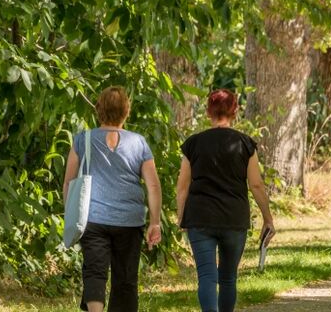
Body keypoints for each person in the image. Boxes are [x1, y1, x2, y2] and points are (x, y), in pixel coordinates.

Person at [63, 86, 162, 312]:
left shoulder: (82, 139)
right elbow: (153, 185)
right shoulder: (139, 143)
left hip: (92, 218)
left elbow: (69, 182)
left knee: (94, 273)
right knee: (126, 280)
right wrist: (155, 222)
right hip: (130, 222)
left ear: (99, 110)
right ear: (126, 111)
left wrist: (71, 216)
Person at [176, 89, 274, 312]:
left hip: (200, 218)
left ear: (208, 111)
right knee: (228, 278)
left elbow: (182, 186)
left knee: (207, 278)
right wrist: (268, 219)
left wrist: (182, 216)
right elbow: (256, 185)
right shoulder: (245, 144)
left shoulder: (193, 144)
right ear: (235, 111)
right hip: (234, 218)